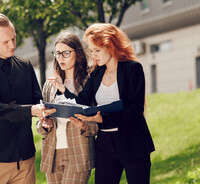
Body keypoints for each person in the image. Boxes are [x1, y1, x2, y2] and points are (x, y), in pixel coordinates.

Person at [49, 23, 155, 184]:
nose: (94, 55)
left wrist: (102, 119)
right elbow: (81, 102)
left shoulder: (132, 69)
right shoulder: (96, 73)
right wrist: (63, 89)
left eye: (97, 50)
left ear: (110, 46)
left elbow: (135, 111)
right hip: (105, 145)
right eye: (91, 51)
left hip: (133, 143)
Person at [0, 13, 55, 184]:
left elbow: (37, 101)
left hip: (26, 160)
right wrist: (31, 110)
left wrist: (44, 118)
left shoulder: (25, 65)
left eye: (13, 38)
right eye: (5, 42)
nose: (12, 45)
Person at [37, 31, 98, 184]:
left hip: (78, 152)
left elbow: (96, 121)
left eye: (66, 53)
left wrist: (85, 126)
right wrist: (43, 124)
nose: (61, 58)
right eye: (57, 53)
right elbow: (40, 123)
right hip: (52, 154)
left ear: (77, 53)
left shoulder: (88, 82)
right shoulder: (49, 85)